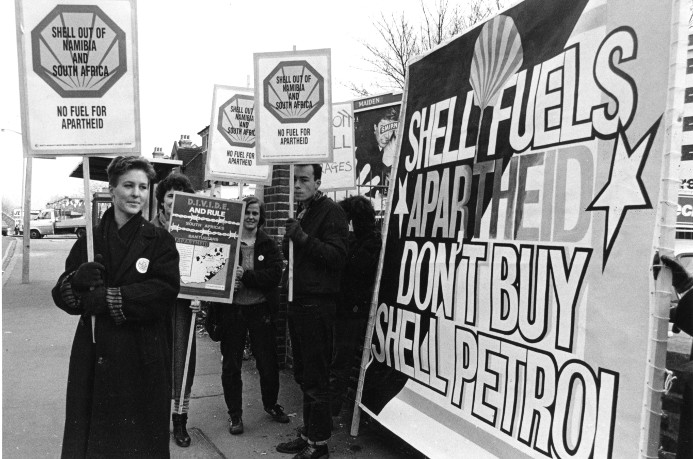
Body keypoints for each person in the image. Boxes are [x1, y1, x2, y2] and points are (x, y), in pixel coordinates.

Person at [52, 156, 180, 458]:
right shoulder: (91, 239)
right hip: (95, 354)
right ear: (112, 190)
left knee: (136, 441)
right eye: (128, 186)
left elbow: (164, 291)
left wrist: (111, 299)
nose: (136, 193)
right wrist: (76, 282)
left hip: (141, 355)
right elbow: (61, 295)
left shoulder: (159, 240)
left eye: (143, 187)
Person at [276, 164, 349, 459]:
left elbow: (337, 256)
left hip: (317, 304)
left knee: (316, 377)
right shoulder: (303, 211)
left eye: (304, 179)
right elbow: (294, 253)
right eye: (294, 180)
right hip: (299, 301)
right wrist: (290, 240)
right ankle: (308, 434)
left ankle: (318, 445)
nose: (297, 185)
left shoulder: (331, 211)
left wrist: (303, 238)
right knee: (305, 375)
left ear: (318, 181)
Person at [217, 195, 289, 435]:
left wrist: (245, 276)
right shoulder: (228, 241)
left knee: (267, 363)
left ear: (261, 217)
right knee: (231, 365)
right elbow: (214, 270)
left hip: (260, 310)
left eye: (255, 213)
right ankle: (235, 415)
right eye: (247, 212)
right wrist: (228, 280)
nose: (250, 217)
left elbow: (274, 275)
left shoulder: (268, 244)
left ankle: (271, 404)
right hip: (233, 311)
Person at [151, 172, 200, 447]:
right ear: (162, 200)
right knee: (155, 360)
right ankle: (154, 418)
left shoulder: (196, 229)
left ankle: (179, 420)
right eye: (172, 195)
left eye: (183, 197)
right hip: (155, 306)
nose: (177, 201)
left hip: (183, 306)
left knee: (182, 362)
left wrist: (201, 294)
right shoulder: (149, 230)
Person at [329, 195, 382, 416]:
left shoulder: (371, 243)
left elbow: (355, 268)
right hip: (343, 307)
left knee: (339, 362)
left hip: (352, 311)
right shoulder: (357, 240)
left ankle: (331, 408)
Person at [354, 108, 399, 198]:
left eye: (390, 130)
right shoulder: (364, 150)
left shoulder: (384, 149)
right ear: (375, 127)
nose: (387, 136)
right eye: (384, 129)